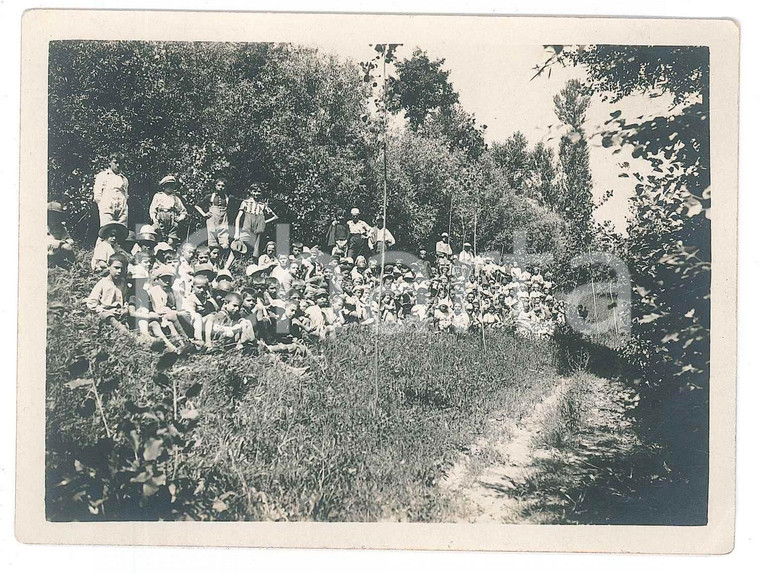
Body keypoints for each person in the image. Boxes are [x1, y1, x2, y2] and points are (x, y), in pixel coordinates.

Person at [86, 253, 130, 333]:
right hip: (106, 313)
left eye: (122, 269)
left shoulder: (123, 283)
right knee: (108, 316)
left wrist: (125, 308)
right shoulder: (103, 283)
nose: (119, 271)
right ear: (109, 267)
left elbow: (125, 298)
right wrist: (101, 310)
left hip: (119, 313)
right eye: (116, 268)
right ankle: (121, 328)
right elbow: (91, 303)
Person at [234, 183, 277, 259]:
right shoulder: (246, 203)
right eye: (254, 191)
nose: (257, 193)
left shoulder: (262, 205)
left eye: (259, 192)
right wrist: (236, 233)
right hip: (247, 228)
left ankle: (254, 267)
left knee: (255, 251)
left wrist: (263, 222)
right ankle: (227, 267)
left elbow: (275, 217)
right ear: (250, 192)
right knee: (237, 246)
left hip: (258, 230)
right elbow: (238, 218)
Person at [93, 151, 129, 230]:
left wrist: (124, 207)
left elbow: (125, 195)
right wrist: (103, 205)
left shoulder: (124, 179)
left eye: (120, 163)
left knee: (121, 230)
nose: (118, 165)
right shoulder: (103, 175)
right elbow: (97, 195)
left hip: (122, 209)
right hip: (107, 207)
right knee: (106, 230)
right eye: (115, 162)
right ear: (110, 162)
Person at [149, 175, 188, 242]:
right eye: (167, 185)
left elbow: (183, 211)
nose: (170, 187)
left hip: (172, 220)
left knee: (171, 241)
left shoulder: (175, 198)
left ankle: (170, 250)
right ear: (163, 186)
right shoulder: (158, 196)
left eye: (171, 185)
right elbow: (152, 210)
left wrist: (180, 218)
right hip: (160, 220)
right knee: (158, 239)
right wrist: (154, 219)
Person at [47, 202, 74, 268]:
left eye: (56, 216)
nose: (54, 218)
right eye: (51, 216)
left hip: (58, 251)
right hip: (47, 250)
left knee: (67, 247)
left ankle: (74, 265)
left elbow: (69, 239)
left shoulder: (61, 228)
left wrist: (62, 242)